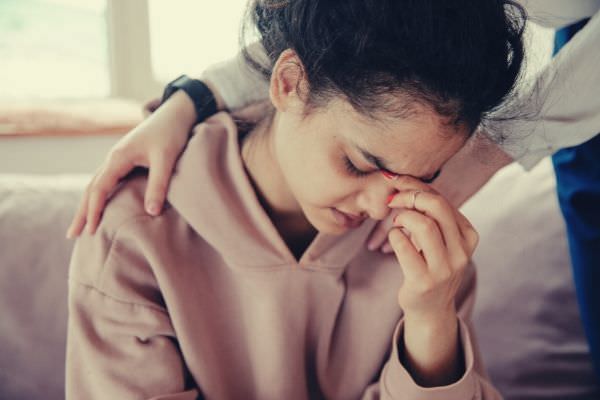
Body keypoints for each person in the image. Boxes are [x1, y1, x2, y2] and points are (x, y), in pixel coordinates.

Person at [66, 0, 526, 398]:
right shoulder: (134, 233)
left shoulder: (430, 260)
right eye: (361, 164)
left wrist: (430, 323)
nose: (381, 207)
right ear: (289, 84)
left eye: (422, 179)